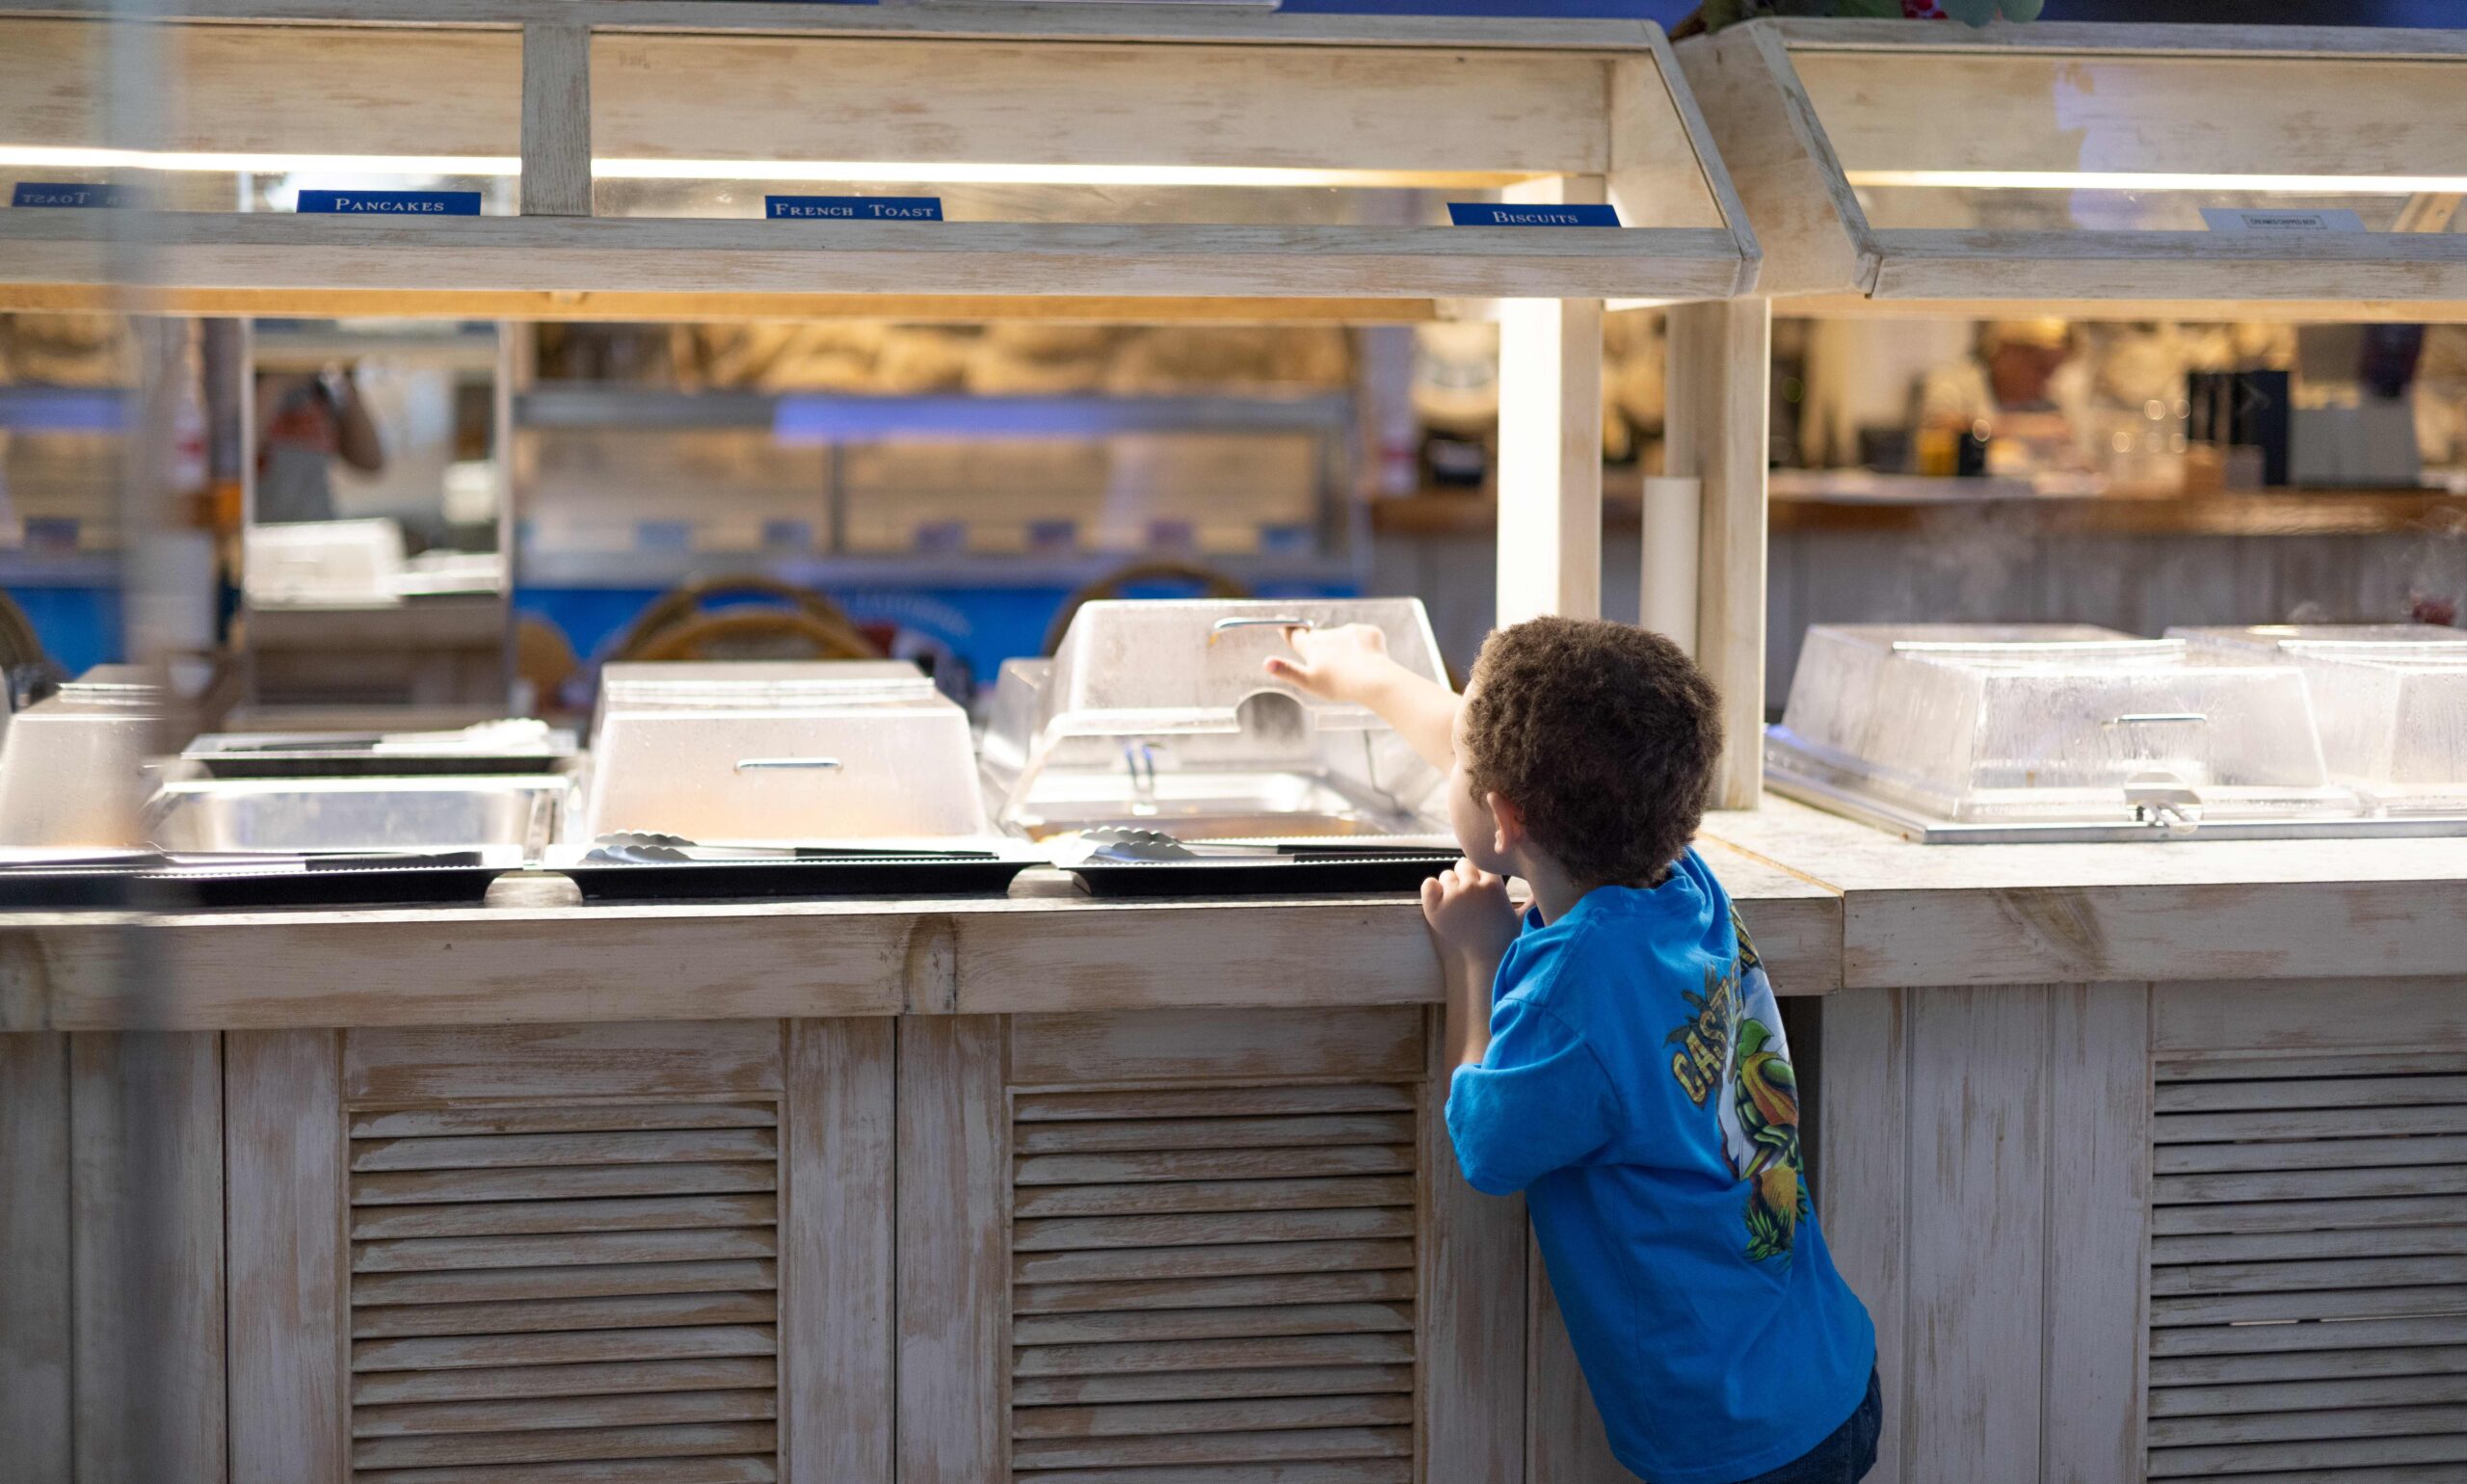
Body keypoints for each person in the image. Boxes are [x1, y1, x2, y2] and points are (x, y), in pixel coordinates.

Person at [1269, 617, 1880, 1484]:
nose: (1449, 760)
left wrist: (1475, 956)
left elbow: (1484, 1142)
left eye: (1457, 767)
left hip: (1732, 1441)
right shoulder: (1679, 878)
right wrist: (1366, 677)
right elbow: (1490, 749)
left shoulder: (1569, 999)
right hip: (1828, 1373)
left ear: (1505, 818)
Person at [254, 362, 384, 523]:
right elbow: (236, 457)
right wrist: (276, 382)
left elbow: (371, 462)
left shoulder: (322, 390)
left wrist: (347, 380)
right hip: (260, 532)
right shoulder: (242, 387)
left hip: (317, 529)